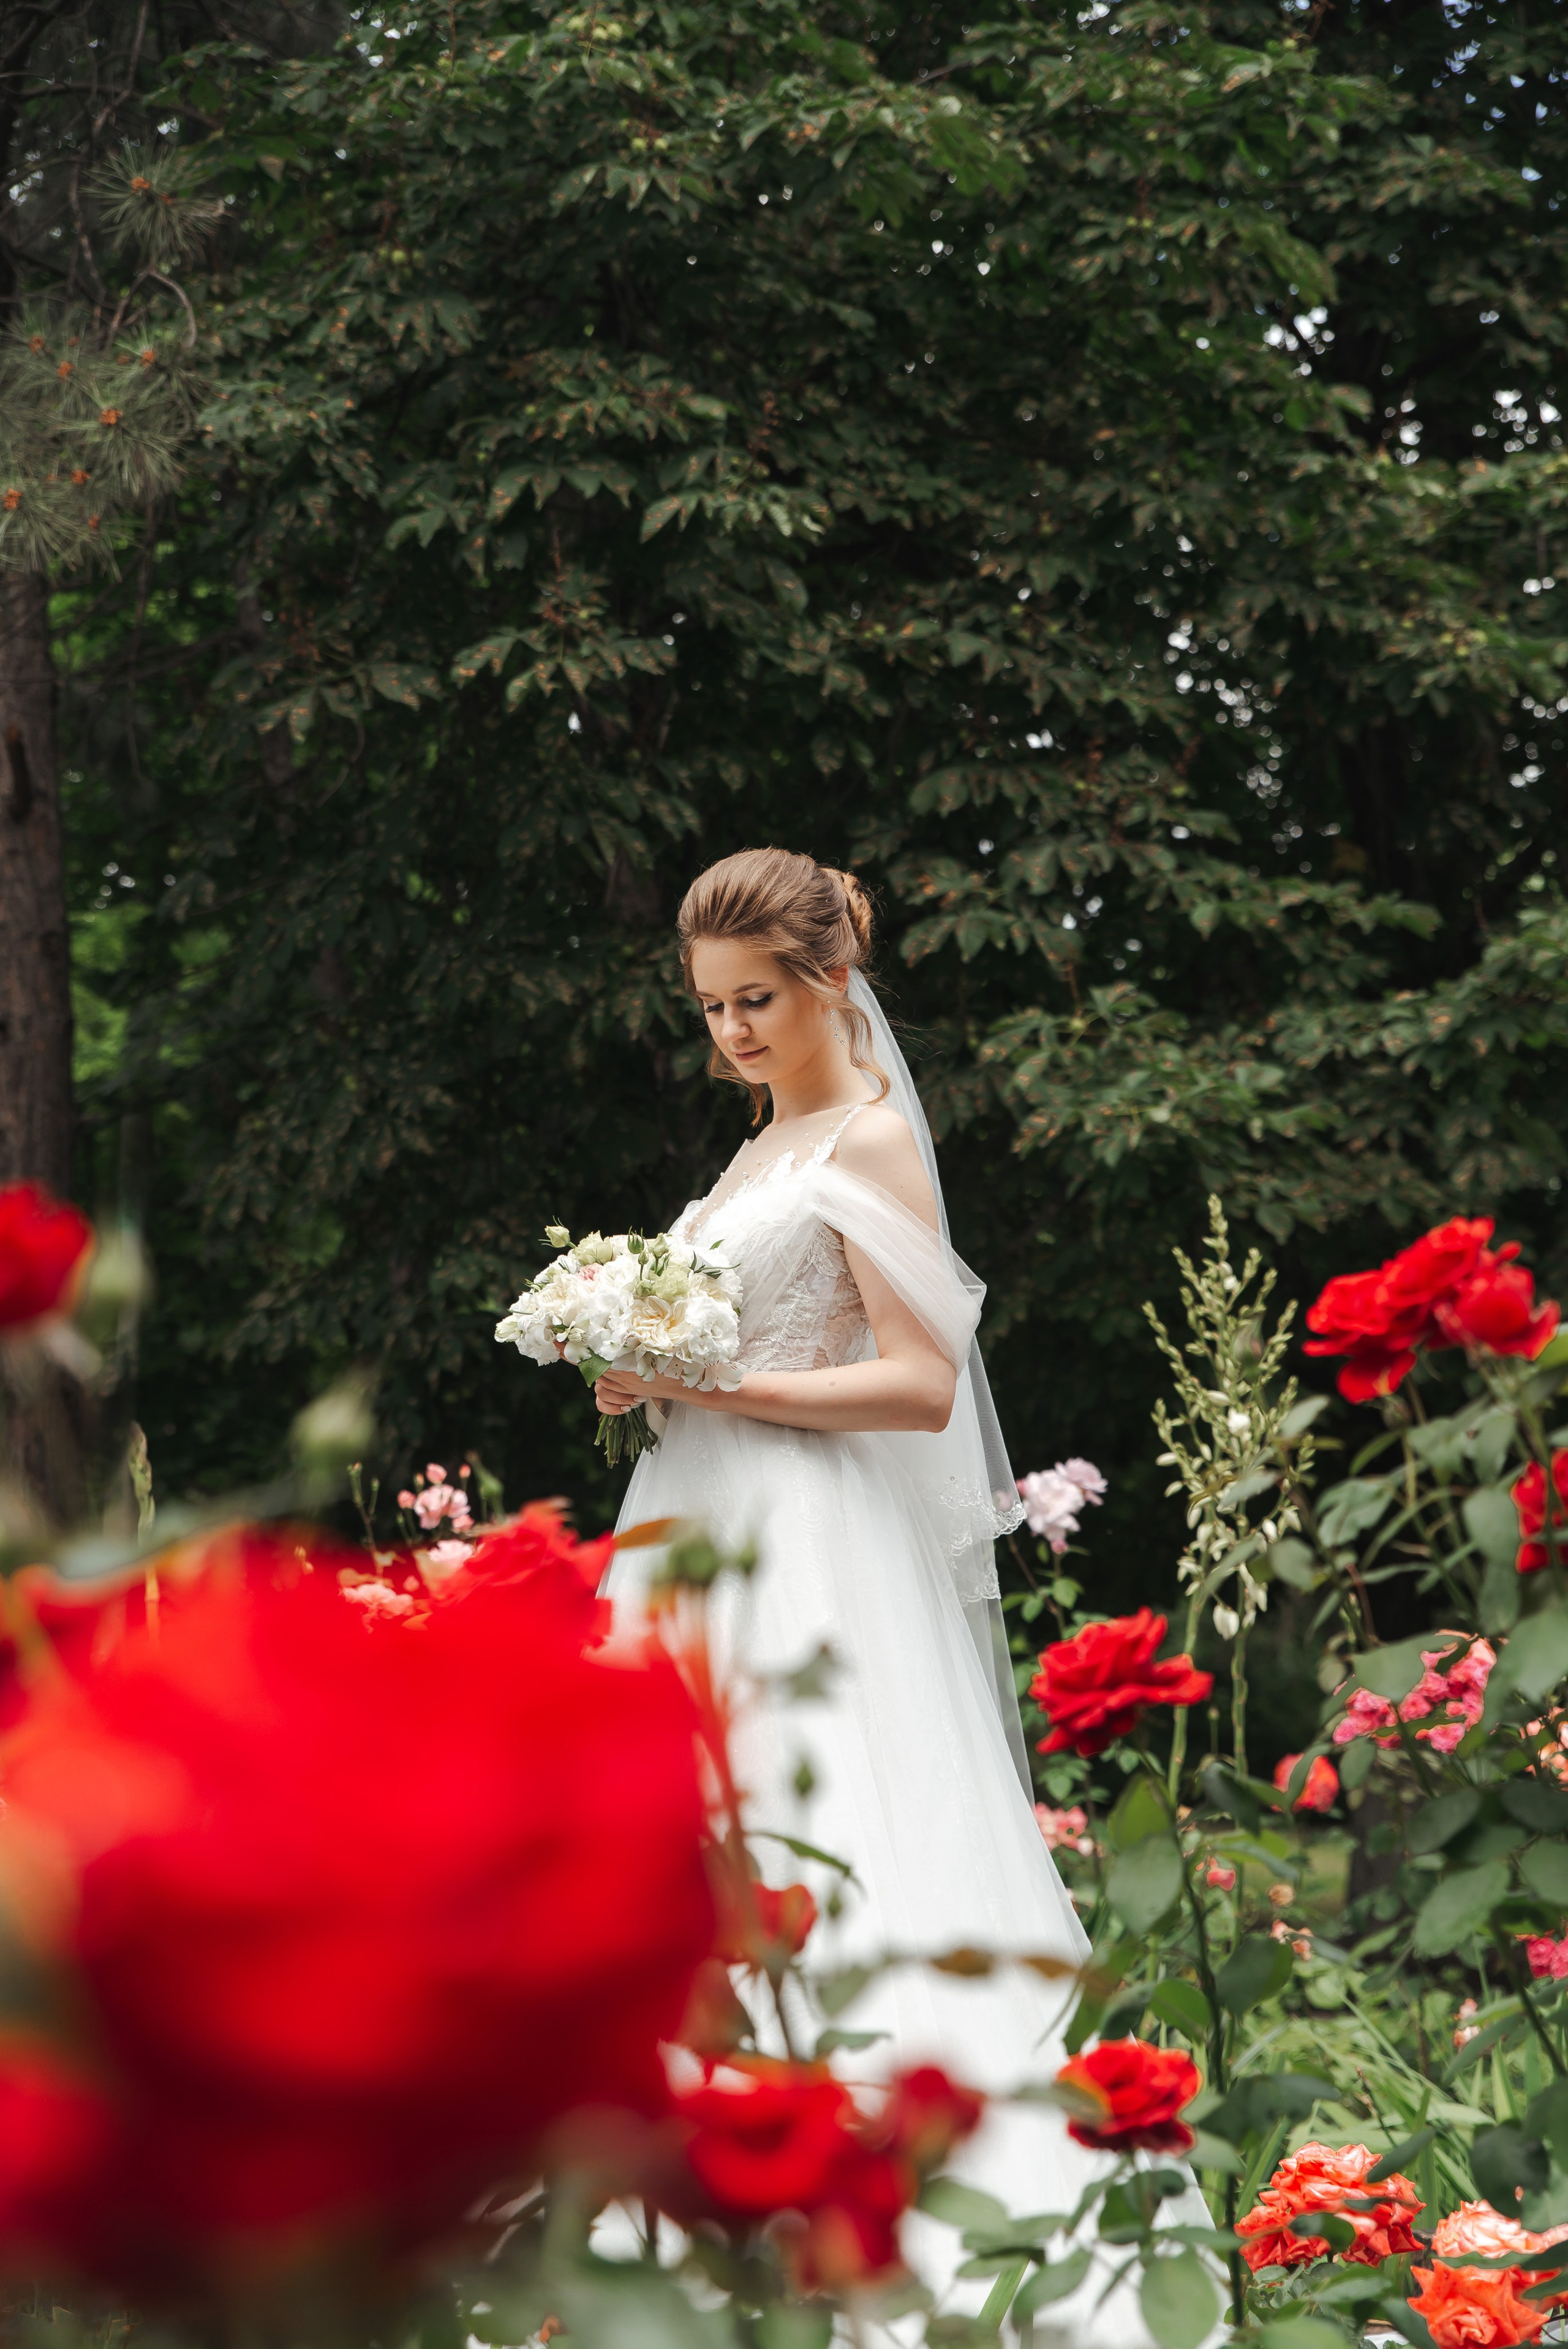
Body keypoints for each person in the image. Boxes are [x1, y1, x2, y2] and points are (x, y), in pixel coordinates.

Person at [599, 850, 1188, 2339]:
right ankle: (693, 2232)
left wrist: (711, 1373)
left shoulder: (865, 1145)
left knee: (846, 1828)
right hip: (697, 1522)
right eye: (712, 1006)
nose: (732, 1030)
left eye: (756, 999)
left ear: (829, 982)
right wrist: (641, 1374)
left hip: (813, 1542)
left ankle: (914, 2222)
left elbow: (922, 1385)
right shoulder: (750, 1152)